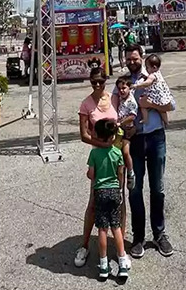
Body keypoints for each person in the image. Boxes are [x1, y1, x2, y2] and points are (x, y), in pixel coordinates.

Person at [121, 44, 174, 259]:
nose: (132, 62)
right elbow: (116, 109)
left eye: (135, 58)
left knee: (157, 188)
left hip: (155, 137)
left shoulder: (154, 75)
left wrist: (151, 104)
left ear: (141, 57)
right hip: (134, 141)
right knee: (134, 189)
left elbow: (171, 105)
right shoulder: (122, 83)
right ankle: (138, 237)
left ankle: (159, 234)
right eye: (128, 59)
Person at [75, 67, 120, 268]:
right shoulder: (86, 104)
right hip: (100, 157)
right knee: (94, 201)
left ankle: (119, 249)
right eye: (94, 82)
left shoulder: (114, 98)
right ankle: (84, 245)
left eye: (101, 81)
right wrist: (104, 146)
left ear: (106, 81)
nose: (97, 85)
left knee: (119, 201)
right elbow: (84, 134)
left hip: (116, 156)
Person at [87, 119, 131, 280]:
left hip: (100, 192)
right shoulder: (117, 153)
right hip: (114, 191)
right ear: (113, 137)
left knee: (102, 229)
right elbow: (120, 173)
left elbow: (91, 174)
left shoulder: (94, 153)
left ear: (98, 135)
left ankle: (104, 265)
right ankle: (122, 262)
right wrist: (119, 188)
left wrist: (92, 174)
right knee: (116, 227)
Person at [113, 75, 138, 190]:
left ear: (129, 88)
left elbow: (132, 116)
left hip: (127, 130)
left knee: (126, 152)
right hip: (120, 131)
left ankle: (131, 173)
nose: (121, 90)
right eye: (119, 88)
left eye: (124, 88)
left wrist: (121, 123)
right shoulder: (121, 99)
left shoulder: (131, 101)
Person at [137, 54, 173, 127]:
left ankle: (145, 118)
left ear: (154, 67)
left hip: (154, 95)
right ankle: (166, 122)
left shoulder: (152, 75)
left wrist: (137, 86)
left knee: (142, 104)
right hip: (162, 96)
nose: (146, 69)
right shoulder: (158, 73)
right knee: (162, 111)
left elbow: (148, 82)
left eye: (147, 67)